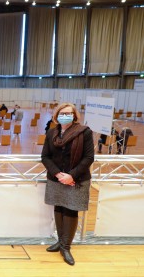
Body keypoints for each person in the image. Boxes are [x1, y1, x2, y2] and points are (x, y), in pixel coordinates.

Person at [41, 103, 94, 266]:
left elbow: (88, 157)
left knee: (70, 209)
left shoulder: (85, 132)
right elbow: (45, 157)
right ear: (57, 115)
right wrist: (58, 174)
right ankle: (60, 241)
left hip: (76, 179)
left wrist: (71, 176)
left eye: (69, 113)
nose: (65, 115)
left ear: (75, 116)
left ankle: (66, 247)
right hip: (56, 177)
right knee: (59, 207)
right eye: (62, 113)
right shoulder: (51, 133)